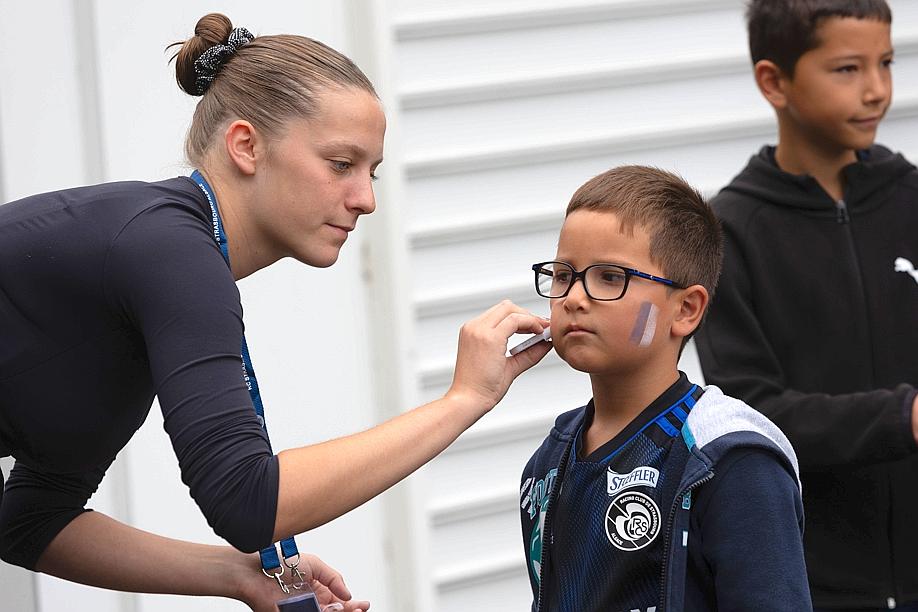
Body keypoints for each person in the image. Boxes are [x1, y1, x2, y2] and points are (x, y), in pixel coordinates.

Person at [0, 13, 552, 612]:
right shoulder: (170, 254)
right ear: (246, 147)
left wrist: (240, 577)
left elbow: (31, 521)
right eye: (341, 164)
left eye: (372, 172)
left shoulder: (155, 260)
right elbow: (247, 501)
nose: (366, 199)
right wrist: (463, 400)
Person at [694, 0, 918, 609]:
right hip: (812, 583)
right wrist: (903, 418)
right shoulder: (730, 232)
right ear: (774, 82)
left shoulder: (911, 199)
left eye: (887, 63)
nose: (877, 90)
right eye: (848, 69)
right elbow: (754, 411)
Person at [517, 165, 811, 611]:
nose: (574, 297)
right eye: (563, 274)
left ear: (686, 310)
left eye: (610, 277)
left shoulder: (730, 459)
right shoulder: (548, 462)